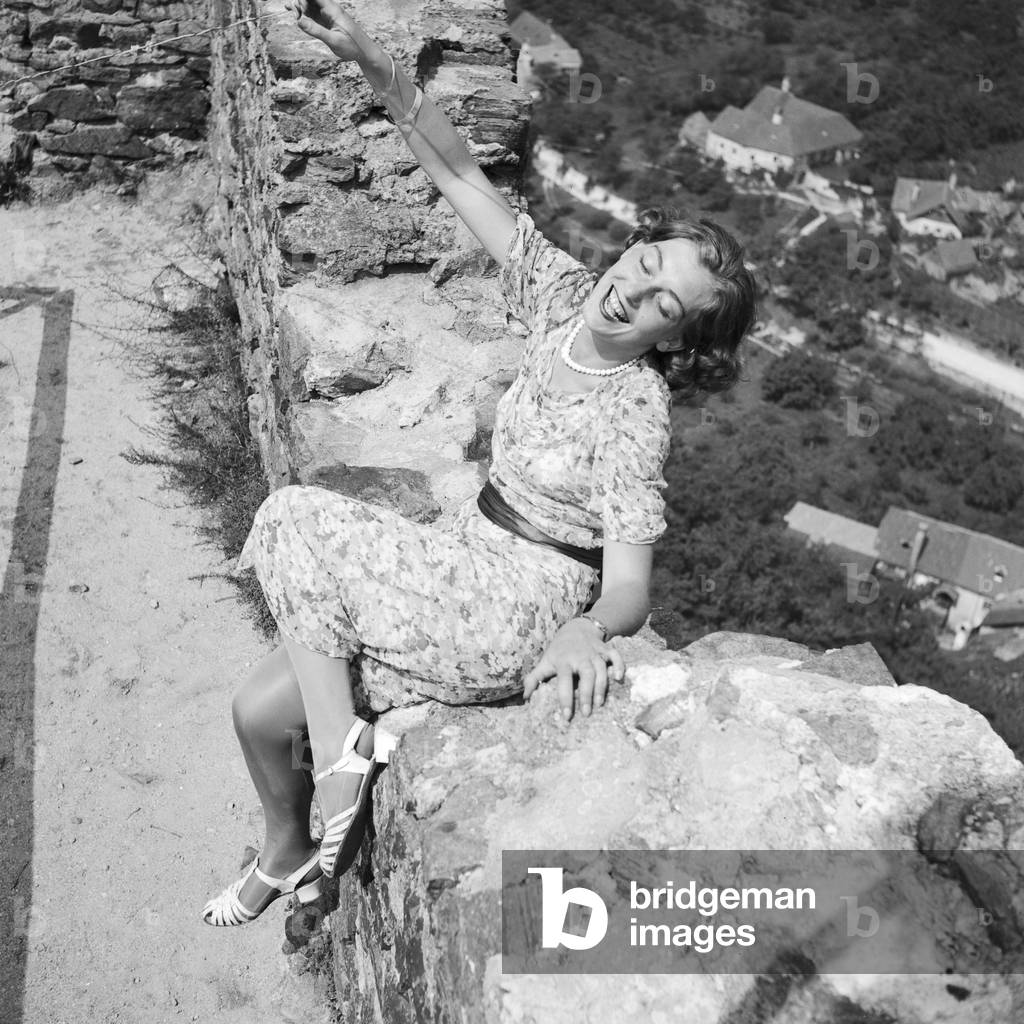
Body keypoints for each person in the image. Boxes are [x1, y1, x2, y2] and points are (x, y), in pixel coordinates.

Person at [201, 0, 758, 926]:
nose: (635, 291)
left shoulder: (636, 412)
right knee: (258, 711)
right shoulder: (565, 296)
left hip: (519, 601)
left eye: (666, 303)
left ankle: (342, 755)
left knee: (294, 515)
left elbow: (628, 587)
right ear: (634, 239)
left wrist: (588, 633)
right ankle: (287, 844)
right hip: (467, 552)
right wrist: (378, 67)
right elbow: (459, 171)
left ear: (681, 337)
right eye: (647, 258)